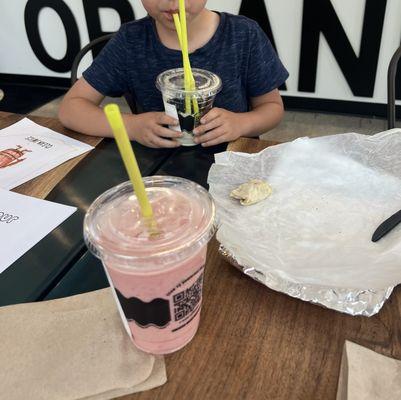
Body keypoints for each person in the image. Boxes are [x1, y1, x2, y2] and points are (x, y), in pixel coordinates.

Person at [58, 0, 289, 148]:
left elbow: (272, 108)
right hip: (157, 171)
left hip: (234, 161)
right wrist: (132, 127)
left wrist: (241, 123)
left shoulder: (244, 34)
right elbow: (71, 109)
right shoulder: (131, 41)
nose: (172, 2)